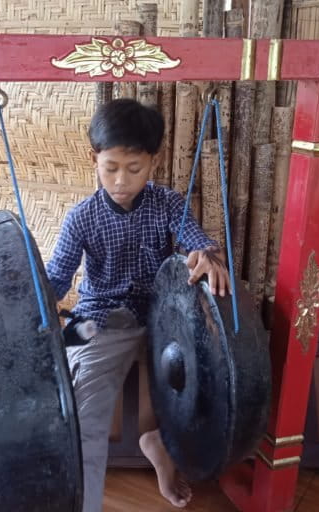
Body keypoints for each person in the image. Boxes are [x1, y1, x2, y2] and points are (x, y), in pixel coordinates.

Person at [46, 98, 230, 511]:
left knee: (213, 370)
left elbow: (199, 242)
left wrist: (207, 256)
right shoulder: (81, 218)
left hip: (163, 316)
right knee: (81, 411)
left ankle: (158, 441)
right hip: (97, 317)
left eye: (134, 169)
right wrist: (29, 297)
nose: (121, 180)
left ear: (154, 162)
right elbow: (55, 281)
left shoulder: (168, 204)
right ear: (93, 159)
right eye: (110, 167)